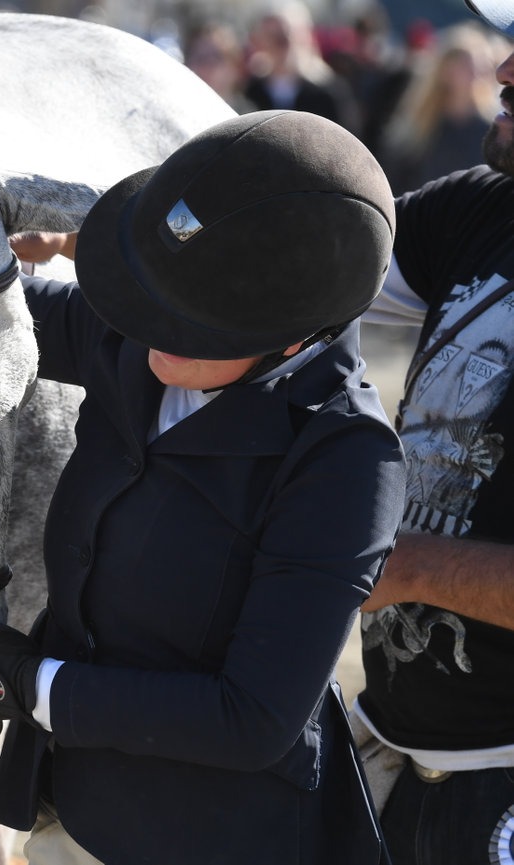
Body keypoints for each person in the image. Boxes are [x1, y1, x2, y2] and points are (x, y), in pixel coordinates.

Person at [0, 110, 406, 864]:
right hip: (75, 810)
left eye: (182, 320)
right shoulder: (140, 338)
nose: (144, 325)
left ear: (294, 337)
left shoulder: (344, 461)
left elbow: (252, 716)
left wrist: (31, 686)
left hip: (218, 840)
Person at [348, 2, 514, 862]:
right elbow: (295, 266)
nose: (505, 72)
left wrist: (402, 563)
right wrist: (96, 243)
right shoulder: (486, 205)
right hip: (394, 758)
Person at [380, 22, 506, 194]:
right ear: (445, 70)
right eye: (466, 65)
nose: (475, 72)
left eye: (480, 65)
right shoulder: (421, 126)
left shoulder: (493, 130)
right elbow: (396, 182)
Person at [243, 2, 360, 135]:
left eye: (288, 36)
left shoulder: (329, 93)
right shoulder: (251, 93)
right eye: (274, 38)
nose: (284, 47)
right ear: (260, 42)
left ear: (306, 36)